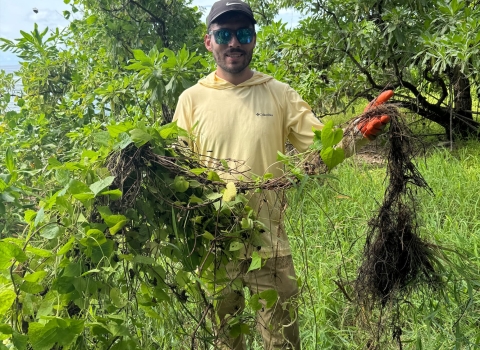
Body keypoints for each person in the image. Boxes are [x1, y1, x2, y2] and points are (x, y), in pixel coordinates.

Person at [172, 1, 391, 348]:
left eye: (243, 34)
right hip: (213, 247)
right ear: (208, 41)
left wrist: (356, 135)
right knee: (223, 341)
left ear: (254, 39)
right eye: (224, 34)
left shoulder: (279, 93)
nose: (234, 43)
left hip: (269, 244)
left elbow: (319, 150)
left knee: (283, 343)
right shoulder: (191, 100)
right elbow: (178, 174)